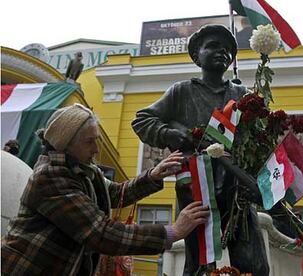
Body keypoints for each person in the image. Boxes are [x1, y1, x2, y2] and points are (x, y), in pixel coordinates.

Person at [1, 103, 210, 276]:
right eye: (89, 142)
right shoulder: (51, 176)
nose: (96, 149)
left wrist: (152, 176)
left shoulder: (81, 167)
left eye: (97, 140)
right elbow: (101, 233)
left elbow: (113, 194)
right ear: (66, 144)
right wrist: (173, 232)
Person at [132, 24, 269, 275]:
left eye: (227, 49)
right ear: (197, 57)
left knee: (254, 264)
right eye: (213, 46)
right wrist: (170, 134)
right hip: (196, 187)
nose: (222, 52)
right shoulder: (181, 91)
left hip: (237, 188)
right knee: (198, 265)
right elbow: (142, 120)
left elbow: (260, 138)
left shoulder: (241, 94)